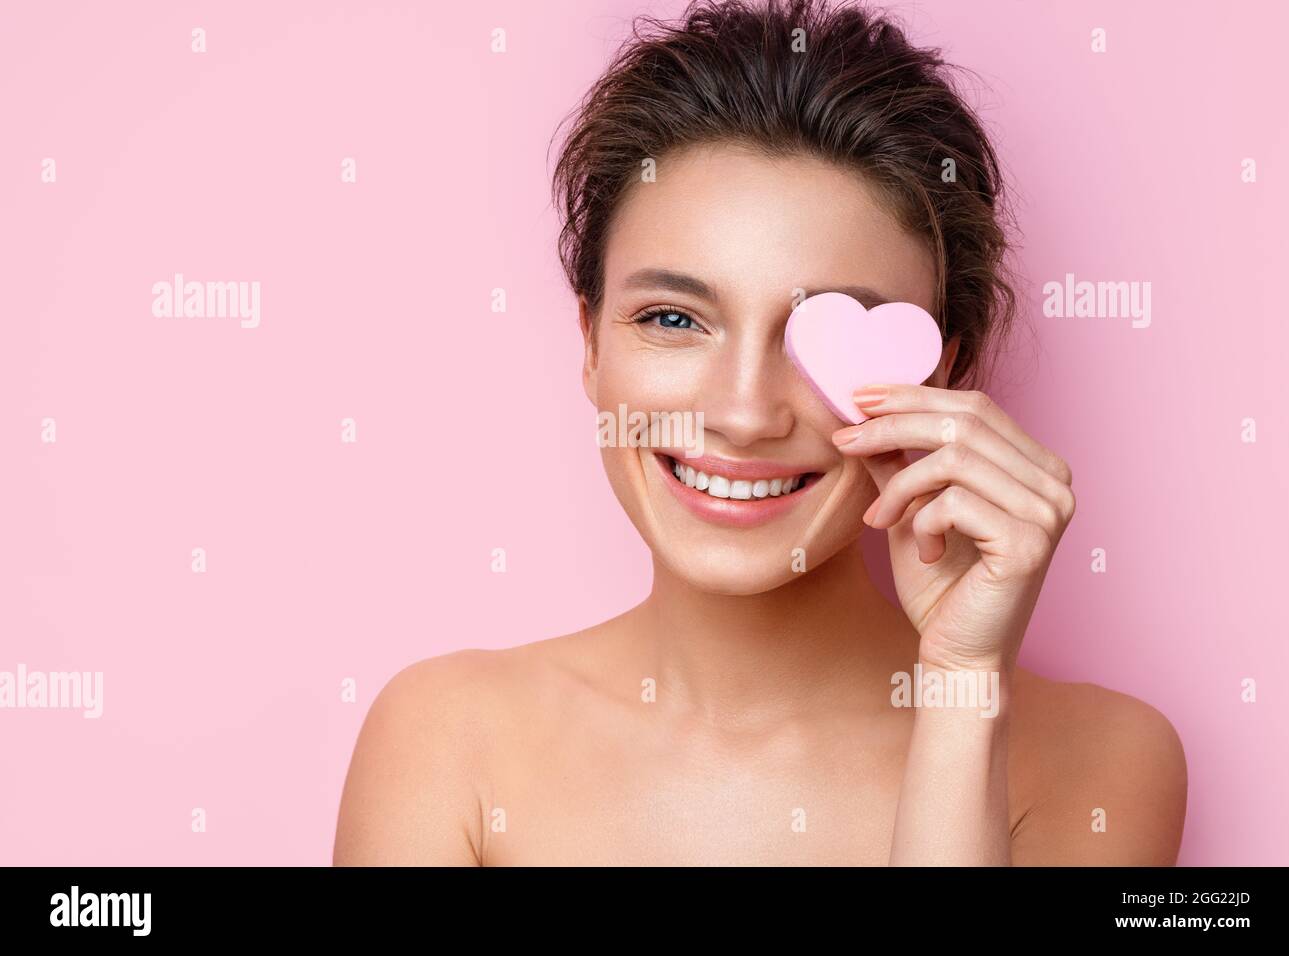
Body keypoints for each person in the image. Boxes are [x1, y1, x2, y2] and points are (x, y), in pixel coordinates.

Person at [334, 0, 1187, 866]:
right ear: (590, 342)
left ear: (937, 379)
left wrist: (962, 691)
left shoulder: (1101, 761)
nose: (745, 415)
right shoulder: (444, 742)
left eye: (823, 336)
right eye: (673, 318)